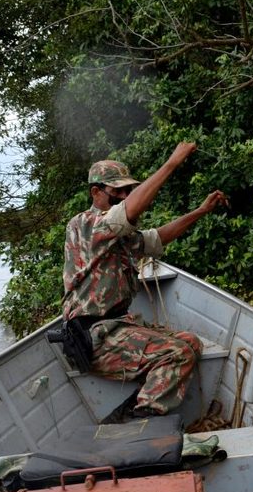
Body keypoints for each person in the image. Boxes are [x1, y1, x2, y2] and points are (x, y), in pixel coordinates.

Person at [62, 142, 228, 423]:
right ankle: (140, 423)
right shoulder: (86, 225)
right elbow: (130, 209)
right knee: (177, 353)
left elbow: (157, 239)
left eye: (129, 190)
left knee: (190, 342)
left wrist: (200, 212)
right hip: (93, 339)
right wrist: (172, 163)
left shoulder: (119, 235)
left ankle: (133, 405)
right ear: (96, 192)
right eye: (118, 191)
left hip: (117, 328)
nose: (126, 196)